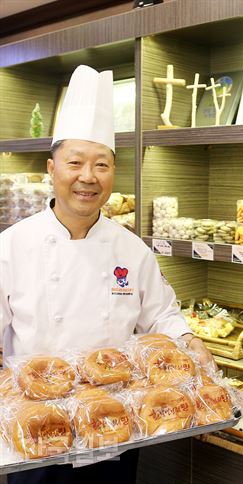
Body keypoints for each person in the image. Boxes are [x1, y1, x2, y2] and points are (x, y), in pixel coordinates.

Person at [0, 65, 215, 484]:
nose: (87, 177)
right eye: (75, 163)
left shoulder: (131, 249)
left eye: (101, 165)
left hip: (116, 422)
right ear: (51, 168)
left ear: (113, 173)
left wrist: (188, 339)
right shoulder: (11, 246)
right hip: (37, 425)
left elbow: (161, 316)